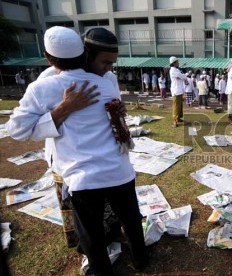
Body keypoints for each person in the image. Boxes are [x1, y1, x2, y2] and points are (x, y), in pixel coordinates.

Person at [6, 26, 148, 275]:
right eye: (105, 62)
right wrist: (63, 109)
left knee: (91, 231)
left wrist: (61, 112)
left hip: (83, 174)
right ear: (85, 54)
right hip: (110, 169)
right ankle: (140, 260)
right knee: (127, 219)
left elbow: (17, 130)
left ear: (48, 56)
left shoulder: (54, 86)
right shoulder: (67, 84)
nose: (109, 69)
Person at [169, 56, 188, 127]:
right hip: (176, 91)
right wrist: (183, 76)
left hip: (179, 90)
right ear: (174, 63)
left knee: (180, 106)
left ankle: (179, 118)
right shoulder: (173, 70)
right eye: (177, 62)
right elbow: (183, 77)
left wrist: (182, 76)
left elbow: (182, 76)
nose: (178, 63)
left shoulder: (176, 70)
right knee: (176, 106)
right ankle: (175, 121)